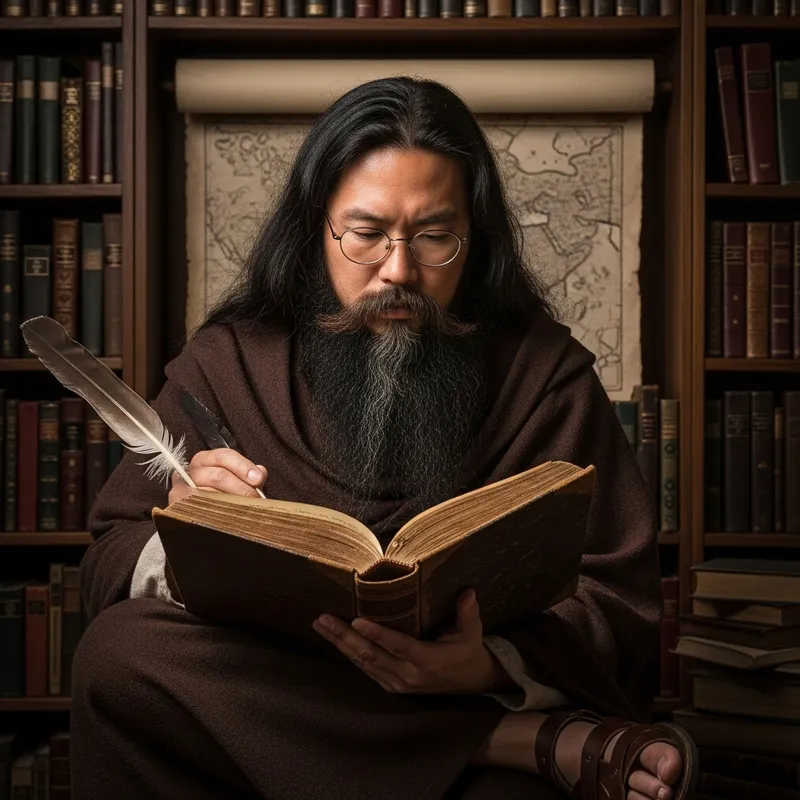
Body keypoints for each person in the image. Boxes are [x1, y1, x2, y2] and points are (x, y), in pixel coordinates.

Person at [71, 76, 698, 800]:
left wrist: (489, 667)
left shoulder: (544, 378)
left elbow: (620, 602)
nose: (398, 271)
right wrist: (185, 536)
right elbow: (108, 564)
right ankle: (504, 741)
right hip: (276, 686)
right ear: (316, 232)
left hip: (443, 697)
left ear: (475, 239)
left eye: (434, 237)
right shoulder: (228, 362)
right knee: (116, 657)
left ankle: (461, 739)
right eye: (366, 235)